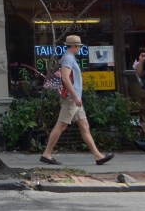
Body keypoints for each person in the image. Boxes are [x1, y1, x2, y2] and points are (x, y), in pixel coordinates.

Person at [39, 34, 114, 166]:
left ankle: (98, 156)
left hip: (74, 98)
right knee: (61, 126)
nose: (79, 48)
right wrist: (75, 96)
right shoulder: (68, 58)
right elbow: (65, 78)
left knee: (84, 126)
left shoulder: (69, 57)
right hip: (71, 99)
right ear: (73, 46)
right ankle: (47, 154)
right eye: (78, 46)